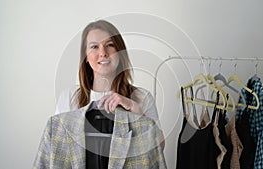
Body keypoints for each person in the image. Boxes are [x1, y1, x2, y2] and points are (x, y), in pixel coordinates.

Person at [33, 20, 166, 168]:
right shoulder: (69, 97)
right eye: (94, 47)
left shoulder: (142, 97)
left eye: (110, 45)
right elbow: (55, 150)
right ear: (86, 56)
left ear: (120, 52)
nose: (103, 53)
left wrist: (136, 110)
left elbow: (158, 150)